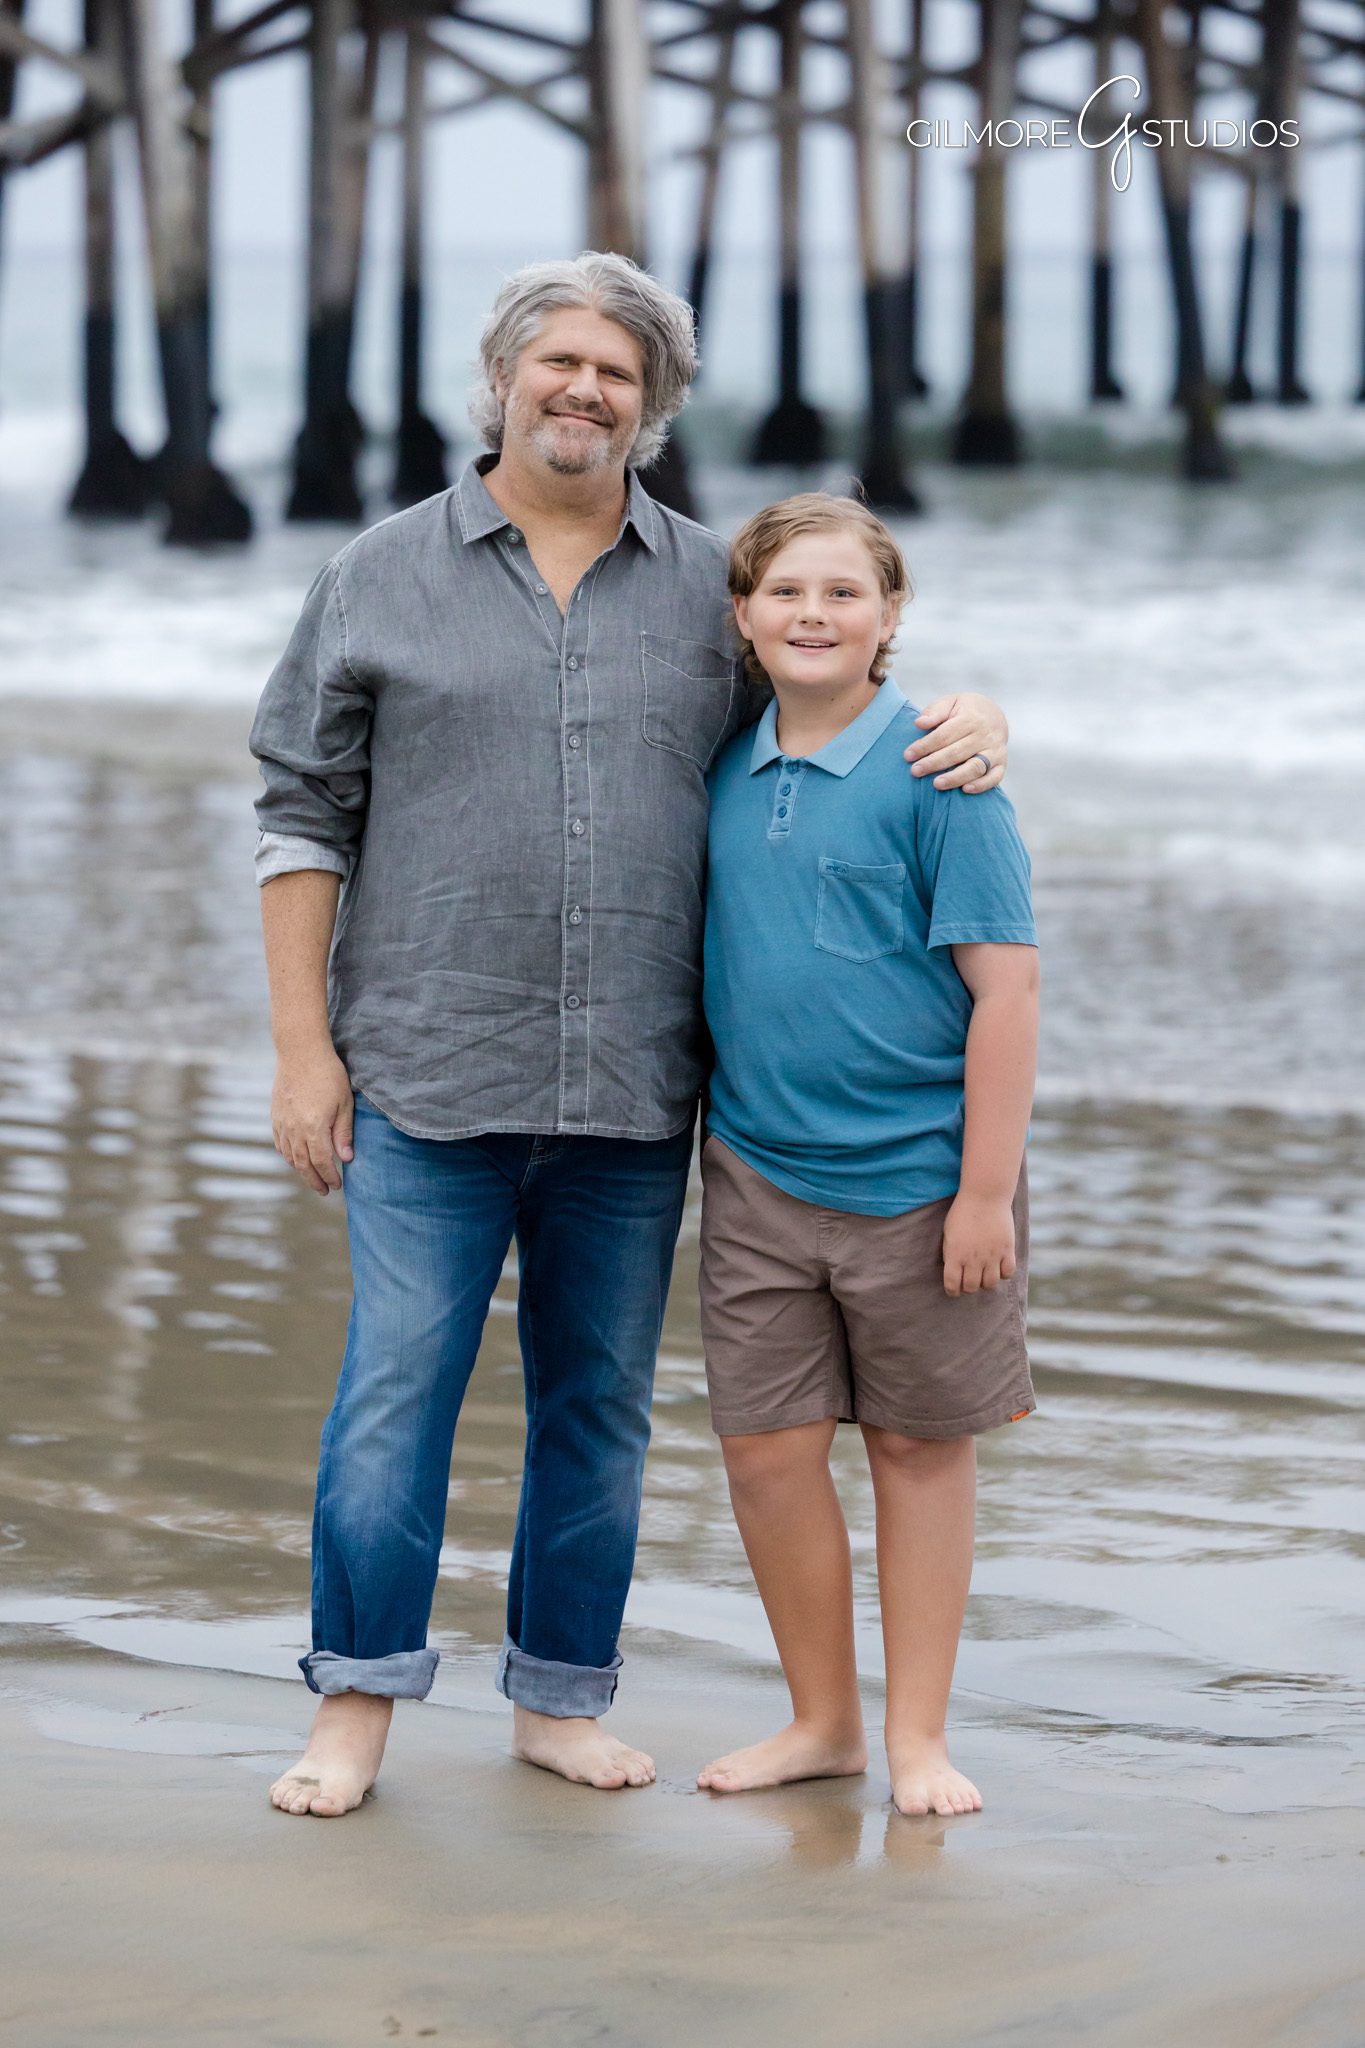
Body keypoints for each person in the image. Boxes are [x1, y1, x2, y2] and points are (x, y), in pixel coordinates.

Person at [249, 252, 1011, 1818]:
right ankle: (355, 1708)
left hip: (635, 1092)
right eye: (561, 363)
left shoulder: (704, 588)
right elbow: (298, 810)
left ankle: (559, 1697)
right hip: (422, 1071)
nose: (584, 390)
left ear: (652, 406)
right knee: (395, 1394)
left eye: (617, 372)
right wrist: (300, 1052)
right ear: (506, 376)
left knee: (595, 1406)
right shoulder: (377, 573)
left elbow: (833, 696)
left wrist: (973, 714)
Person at [695, 493, 1038, 1818]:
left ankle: (916, 1739)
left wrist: (985, 1194)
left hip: (921, 1189)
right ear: (741, 617)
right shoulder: (726, 759)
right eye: (785, 593)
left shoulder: (943, 772)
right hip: (754, 1178)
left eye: (844, 594)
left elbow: (1005, 996)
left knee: (914, 1452)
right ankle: (823, 1720)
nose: (813, 616)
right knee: (766, 1454)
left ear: (889, 617)